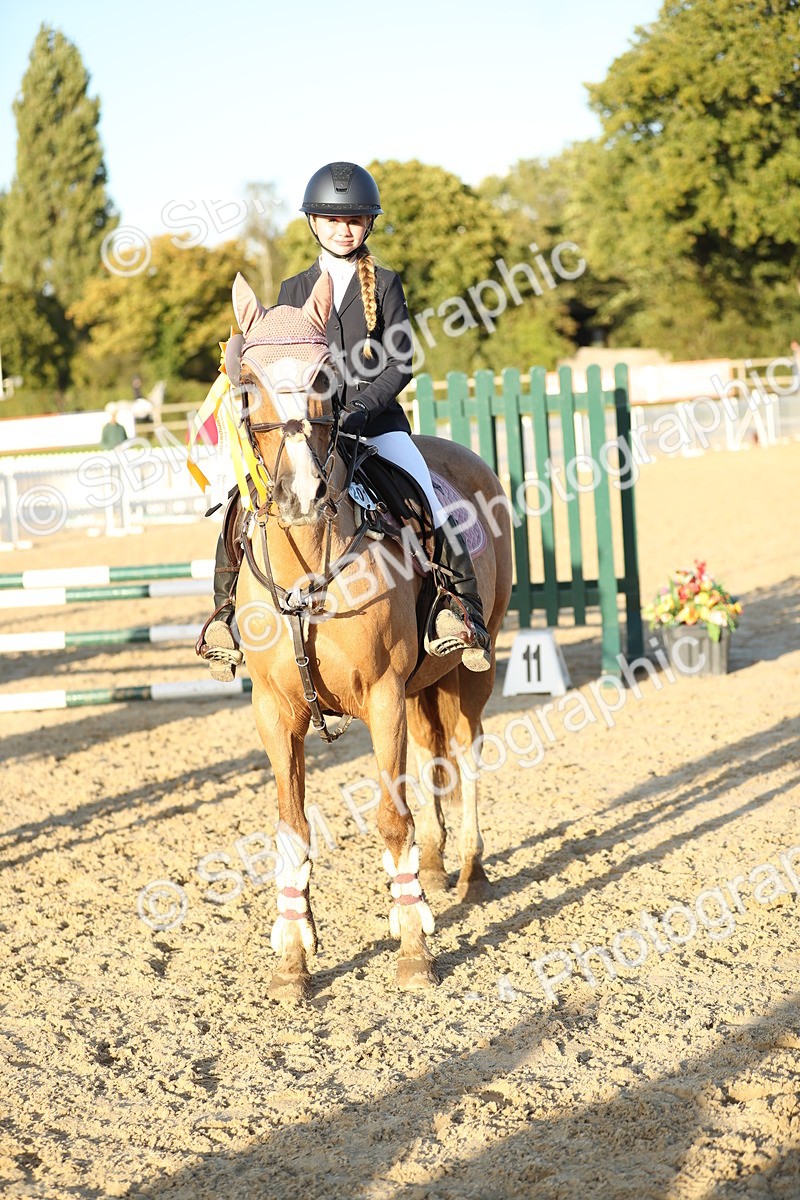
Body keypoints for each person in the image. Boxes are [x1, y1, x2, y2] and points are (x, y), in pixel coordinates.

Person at [198, 161, 491, 680]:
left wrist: (359, 408)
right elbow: (270, 361)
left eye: (354, 220)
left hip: (375, 426)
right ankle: (225, 615)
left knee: (422, 490)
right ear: (314, 222)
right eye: (332, 220)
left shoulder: (387, 285)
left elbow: (401, 361)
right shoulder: (292, 289)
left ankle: (458, 607)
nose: (343, 229)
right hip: (304, 431)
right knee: (242, 496)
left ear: (368, 225)